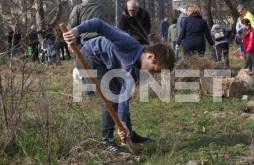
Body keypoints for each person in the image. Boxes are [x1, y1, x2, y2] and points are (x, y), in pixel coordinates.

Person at [63, 18, 175, 152]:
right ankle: (106, 141)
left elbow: (125, 95)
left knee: (119, 96)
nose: (152, 74)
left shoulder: (136, 68)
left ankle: (129, 133)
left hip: (105, 64)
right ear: (151, 57)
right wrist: (76, 31)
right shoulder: (126, 42)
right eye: (154, 70)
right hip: (88, 57)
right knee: (111, 98)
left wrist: (122, 123)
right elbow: (99, 24)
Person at [67, 0, 106, 97]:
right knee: (101, 68)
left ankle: (90, 94)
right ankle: (103, 93)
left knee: (86, 68)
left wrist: (70, 42)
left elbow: (70, 26)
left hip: (87, 42)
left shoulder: (79, 8)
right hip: (101, 42)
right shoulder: (101, 7)